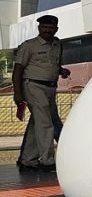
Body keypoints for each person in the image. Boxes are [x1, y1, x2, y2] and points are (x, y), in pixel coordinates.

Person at [13, 15, 70, 172]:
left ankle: (27, 160)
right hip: (33, 86)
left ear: (56, 29)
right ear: (39, 28)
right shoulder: (29, 46)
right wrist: (17, 93)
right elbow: (17, 70)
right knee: (45, 123)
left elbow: (52, 65)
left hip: (51, 88)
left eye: (51, 28)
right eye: (44, 27)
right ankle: (47, 160)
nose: (47, 30)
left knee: (37, 123)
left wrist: (61, 71)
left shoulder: (58, 44)